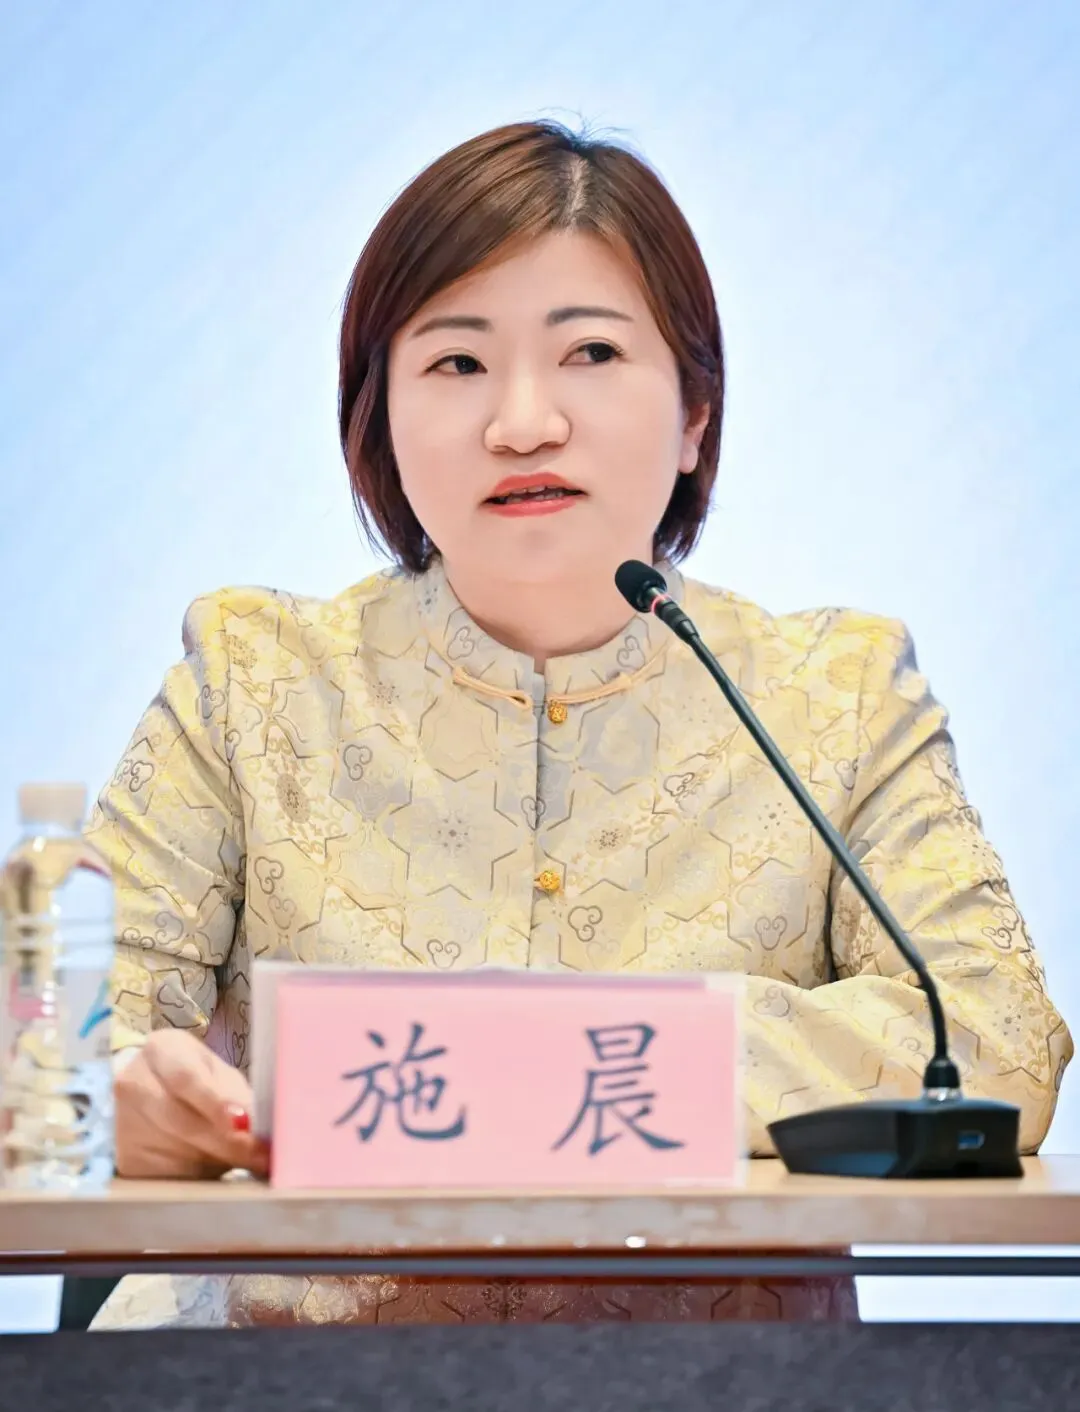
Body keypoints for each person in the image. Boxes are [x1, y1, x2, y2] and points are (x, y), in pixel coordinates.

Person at [88, 120, 1071, 1329]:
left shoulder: (839, 693)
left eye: (590, 351)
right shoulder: (253, 677)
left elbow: (995, 1039)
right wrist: (120, 1091)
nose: (522, 422)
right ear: (378, 419)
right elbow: (50, 1043)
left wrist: (555, 1060)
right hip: (277, 1375)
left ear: (696, 411)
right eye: (457, 362)